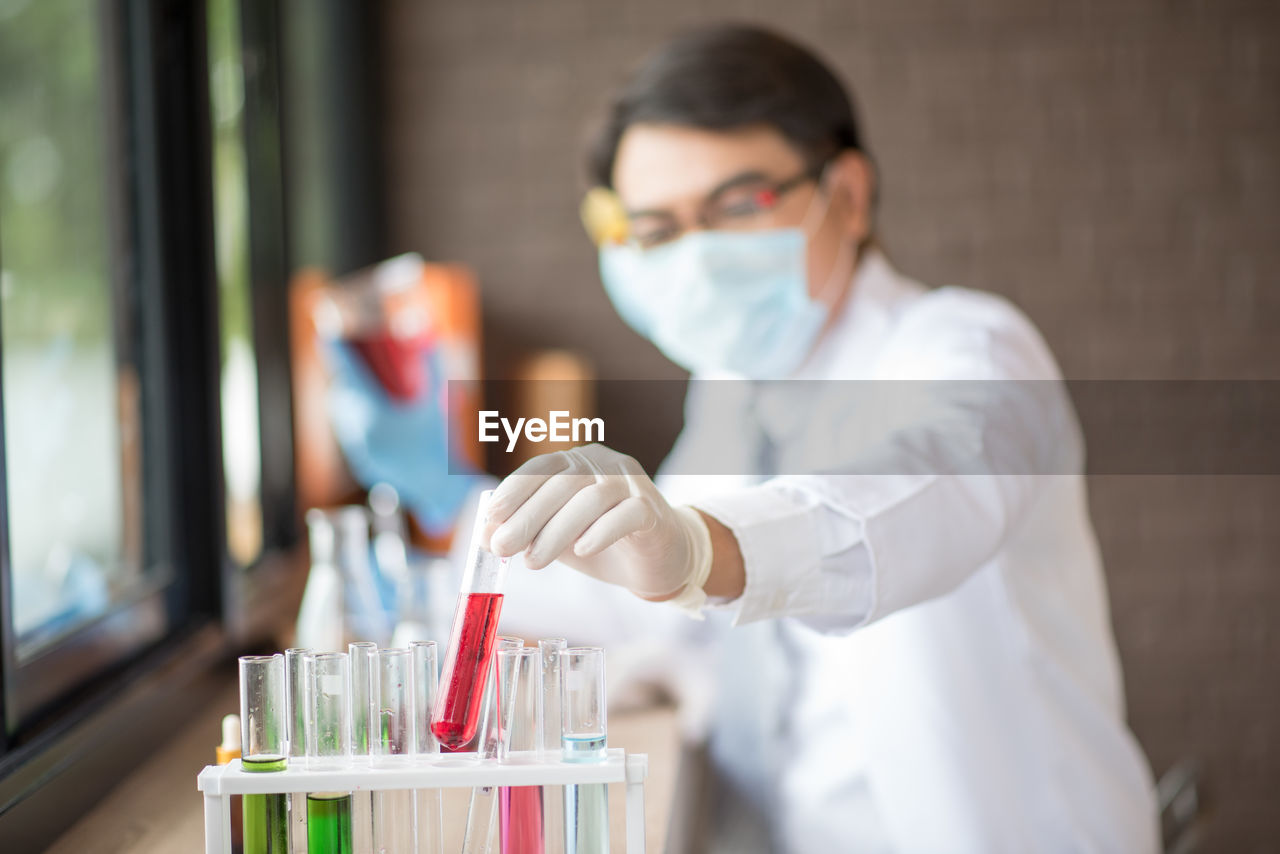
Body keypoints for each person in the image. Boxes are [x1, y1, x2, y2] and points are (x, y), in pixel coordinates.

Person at [333, 24, 1159, 854]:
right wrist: (429, 562)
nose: (695, 257)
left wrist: (698, 549)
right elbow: (637, 586)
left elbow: (917, 494)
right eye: (655, 229)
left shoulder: (970, 347)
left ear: (849, 195)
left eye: (738, 205)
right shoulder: (733, 392)